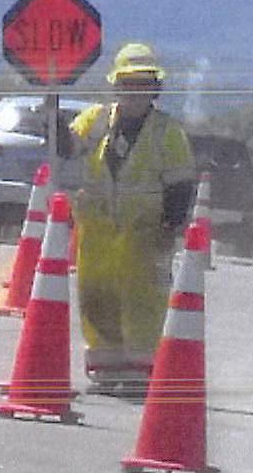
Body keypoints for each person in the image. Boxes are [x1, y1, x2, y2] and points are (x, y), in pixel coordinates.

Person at [58, 41, 196, 397]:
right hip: (98, 234)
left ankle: (139, 372)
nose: (135, 93)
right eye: (128, 84)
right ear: (117, 87)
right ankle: (105, 369)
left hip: (144, 238)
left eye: (143, 85)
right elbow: (67, 147)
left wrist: (171, 223)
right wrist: (53, 116)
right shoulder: (95, 120)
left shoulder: (168, 133)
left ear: (155, 90)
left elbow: (180, 183)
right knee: (96, 297)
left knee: (143, 302)